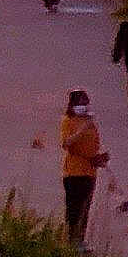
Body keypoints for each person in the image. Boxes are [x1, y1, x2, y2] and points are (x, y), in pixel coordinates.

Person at [42, 90, 109, 241]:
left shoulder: (90, 122)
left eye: (85, 103)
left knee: (85, 207)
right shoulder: (68, 121)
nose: (83, 106)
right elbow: (66, 143)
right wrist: (82, 130)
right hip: (74, 172)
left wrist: (100, 157)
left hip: (90, 171)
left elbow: (94, 144)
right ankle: (71, 238)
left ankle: (80, 238)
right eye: (80, 103)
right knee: (74, 208)